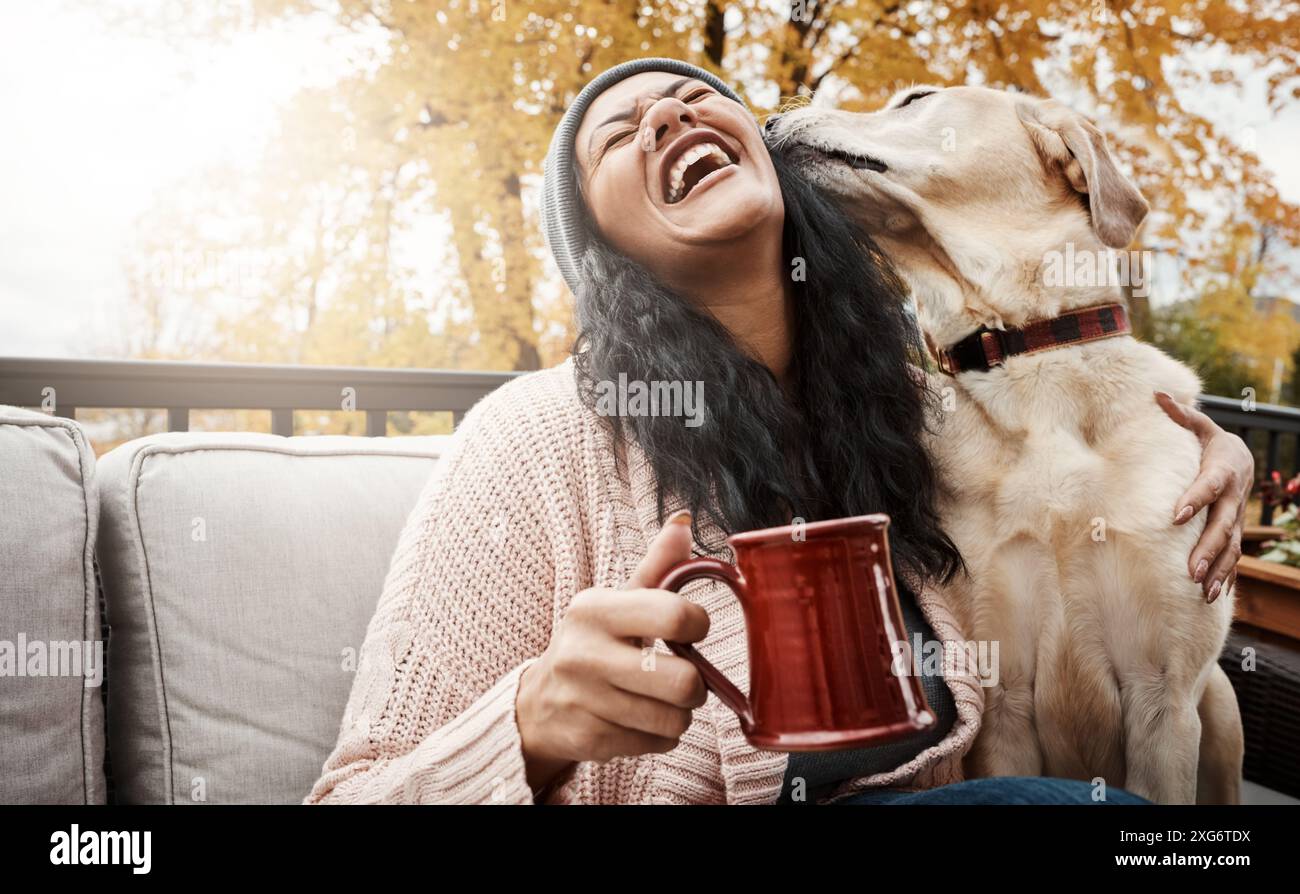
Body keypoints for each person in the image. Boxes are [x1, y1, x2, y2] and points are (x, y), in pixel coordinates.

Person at [305, 58, 1253, 805]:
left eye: (692, 99)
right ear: (600, 254)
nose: (670, 118)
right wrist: (531, 727)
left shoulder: (922, 418)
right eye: (620, 136)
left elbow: (1069, 454)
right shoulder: (537, 438)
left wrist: (1203, 453)